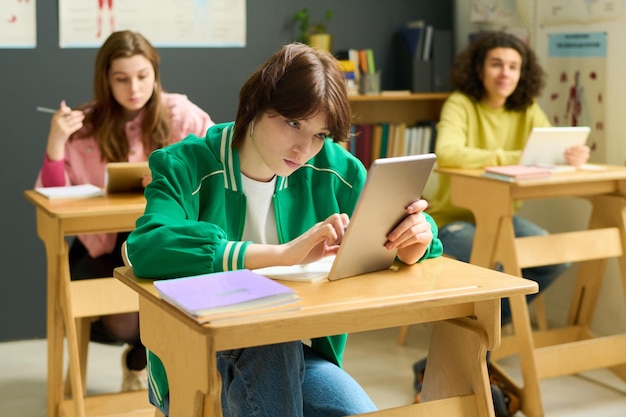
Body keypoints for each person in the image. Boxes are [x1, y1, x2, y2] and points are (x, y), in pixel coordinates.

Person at [126, 42, 444, 417]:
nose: (304, 147)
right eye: (293, 123)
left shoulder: (336, 168)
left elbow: (411, 224)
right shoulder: (184, 164)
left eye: (320, 134)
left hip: (293, 349)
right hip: (196, 354)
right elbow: (146, 247)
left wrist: (413, 240)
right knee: (265, 329)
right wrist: (280, 255)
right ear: (254, 106)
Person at [413, 31, 590, 416]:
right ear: (479, 69)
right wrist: (518, 155)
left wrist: (571, 155)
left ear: (522, 73)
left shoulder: (527, 109)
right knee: (487, 270)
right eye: (496, 64)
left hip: (503, 217)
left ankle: (469, 351)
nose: (504, 73)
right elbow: (448, 152)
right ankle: (454, 359)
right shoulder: (462, 103)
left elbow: (550, 151)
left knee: (552, 257)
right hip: (454, 219)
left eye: (513, 66)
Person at [35, 30, 214, 391]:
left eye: (143, 76)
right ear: (106, 80)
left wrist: (171, 175)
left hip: (167, 240)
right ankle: (138, 358)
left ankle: (145, 364)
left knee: (181, 299)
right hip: (101, 248)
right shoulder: (85, 124)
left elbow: (215, 164)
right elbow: (52, 197)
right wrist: (56, 143)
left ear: (155, 74)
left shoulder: (181, 113)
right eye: (121, 79)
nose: (134, 87)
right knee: (125, 319)